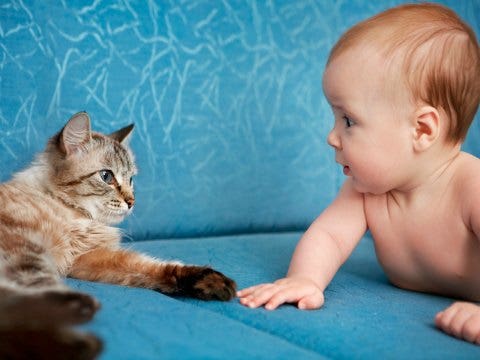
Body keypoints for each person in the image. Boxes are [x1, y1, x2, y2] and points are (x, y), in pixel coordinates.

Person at [237, 2, 480, 344]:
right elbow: (329, 237)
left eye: (348, 120)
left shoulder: (470, 187)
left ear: (422, 130)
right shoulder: (367, 192)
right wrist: (305, 279)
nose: (331, 136)